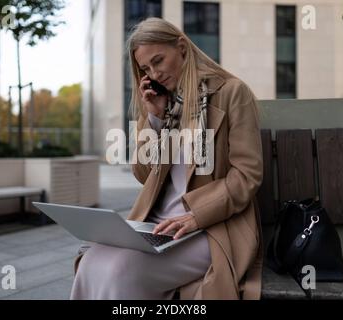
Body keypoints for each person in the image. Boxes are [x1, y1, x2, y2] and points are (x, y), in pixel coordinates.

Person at [70, 17, 264, 300]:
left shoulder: (232, 93)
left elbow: (247, 175)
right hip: (159, 225)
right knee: (91, 262)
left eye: (158, 61)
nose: (154, 74)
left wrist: (196, 215)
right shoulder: (164, 105)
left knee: (121, 270)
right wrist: (154, 120)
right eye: (146, 69)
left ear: (182, 49)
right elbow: (143, 175)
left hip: (212, 227)